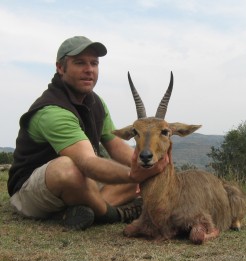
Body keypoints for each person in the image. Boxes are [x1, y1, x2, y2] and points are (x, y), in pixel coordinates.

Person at [7, 36, 169, 230]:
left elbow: (117, 147)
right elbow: (87, 162)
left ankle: (80, 210)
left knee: (142, 172)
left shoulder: (96, 103)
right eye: (79, 63)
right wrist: (134, 175)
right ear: (60, 68)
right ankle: (110, 214)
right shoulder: (52, 111)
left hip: (82, 183)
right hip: (32, 191)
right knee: (68, 168)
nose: (89, 69)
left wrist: (149, 167)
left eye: (94, 63)